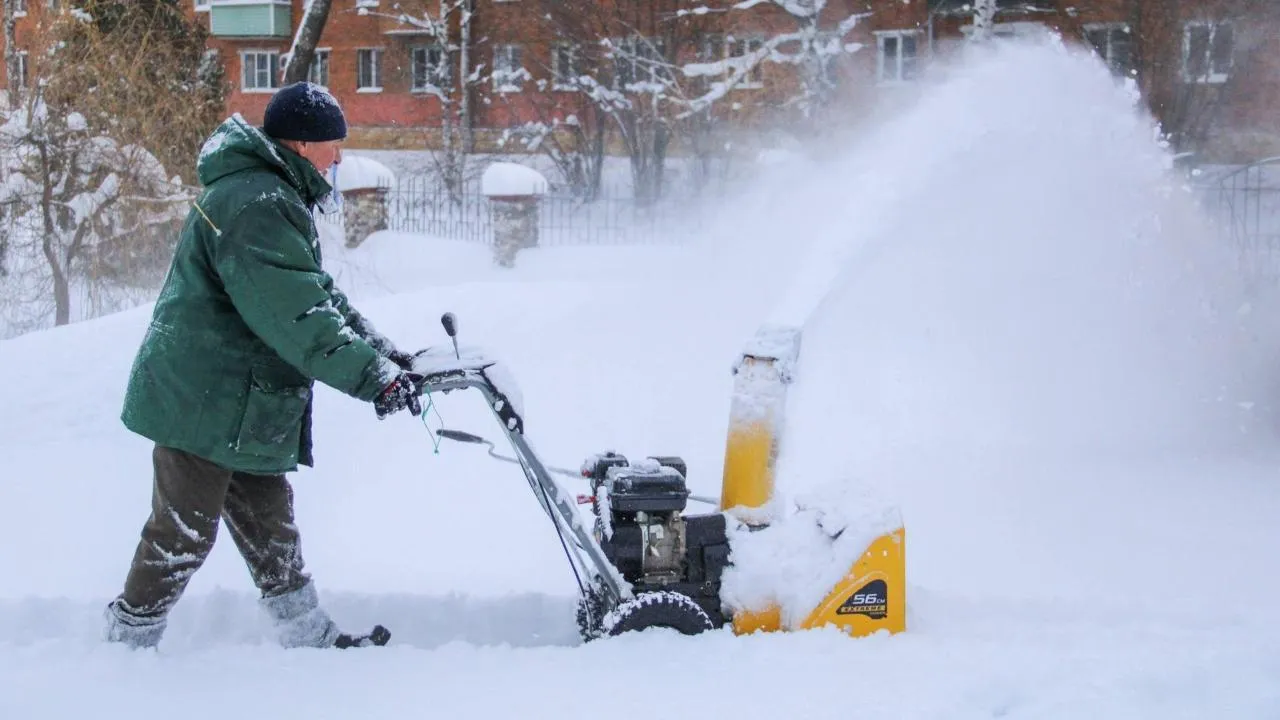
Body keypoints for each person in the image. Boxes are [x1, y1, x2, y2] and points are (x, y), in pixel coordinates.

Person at [102, 82, 423, 650]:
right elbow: (294, 315)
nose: (339, 157)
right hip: (205, 399)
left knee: (271, 527)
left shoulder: (270, 193)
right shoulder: (257, 203)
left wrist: (384, 353)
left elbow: (316, 295)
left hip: (242, 399)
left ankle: (306, 635)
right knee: (183, 532)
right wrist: (374, 378)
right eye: (333, 143)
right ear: (301, 144)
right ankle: (127, 641)